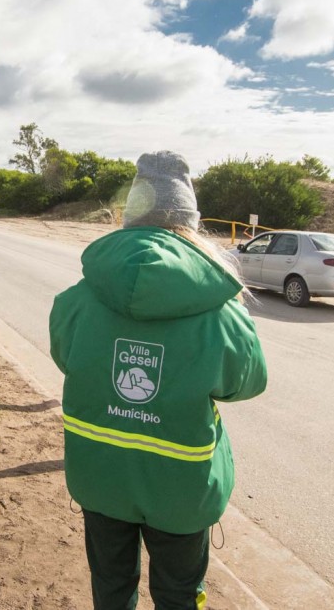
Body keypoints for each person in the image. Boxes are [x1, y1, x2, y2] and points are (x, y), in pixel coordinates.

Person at [49, 151, 267, 610]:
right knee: (179, 595)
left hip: (100, 476)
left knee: (110, 586)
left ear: (126, 217)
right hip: (183, 487)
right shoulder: (222, 311)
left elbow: (68, 359)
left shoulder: (77, 299)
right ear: (191, 225)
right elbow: (244, 384)